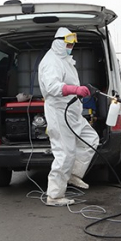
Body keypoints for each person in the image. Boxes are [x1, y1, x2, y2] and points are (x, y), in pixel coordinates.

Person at [38, 27, 99, 206]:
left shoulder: (64, 60)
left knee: (90, 138)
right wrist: (74, 89)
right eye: (68, 43)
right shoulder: (51, 61)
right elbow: (51, 87)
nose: (70, 46)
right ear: (59, 42)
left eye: (72, 44)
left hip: (72, 111)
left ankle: (74, 174)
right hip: (58, 111)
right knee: (64, 153)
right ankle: (55, 196)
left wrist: (79, 92)